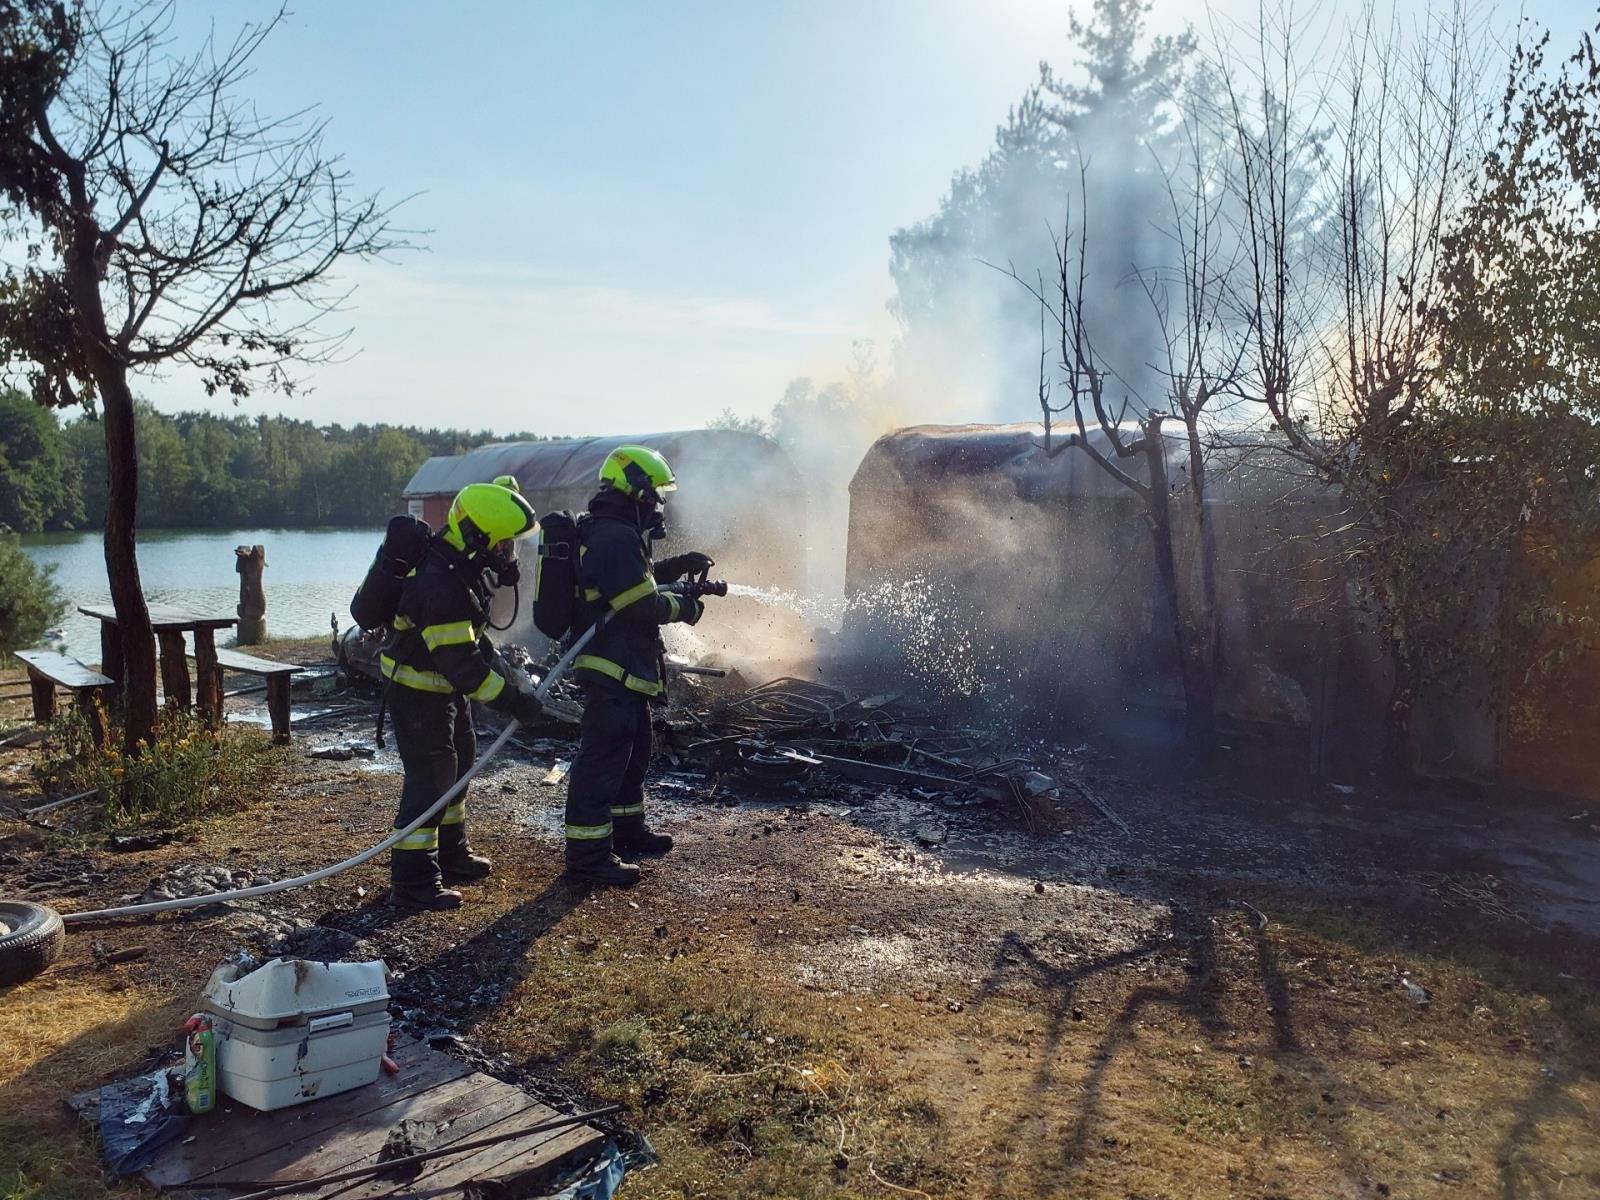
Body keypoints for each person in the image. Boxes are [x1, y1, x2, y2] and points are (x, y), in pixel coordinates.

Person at [382, 480, 543, 910]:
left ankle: (451, 854)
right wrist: (513, 700)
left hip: (442, 690)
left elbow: (470, 640)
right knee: (431, 779)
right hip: (418, 692)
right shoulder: (439, 581)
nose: (508, 555)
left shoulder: (460, 568)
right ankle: (414, 882)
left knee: (460, 763)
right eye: (504, 545)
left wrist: (502, 669)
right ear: (480, 537)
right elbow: (464, 667)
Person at [564, 445, 714, 886]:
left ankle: (627, 832)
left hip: (628, 668)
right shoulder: (614, 536)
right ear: (637, 492)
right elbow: (638, 603)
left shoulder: (619, 534)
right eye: (656, 494)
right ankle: (588, 857)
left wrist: (680, 566)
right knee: (603, 760)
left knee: (634, 755)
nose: (660, 504)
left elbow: (636, 577)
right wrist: (684, 608)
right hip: (612, 667)